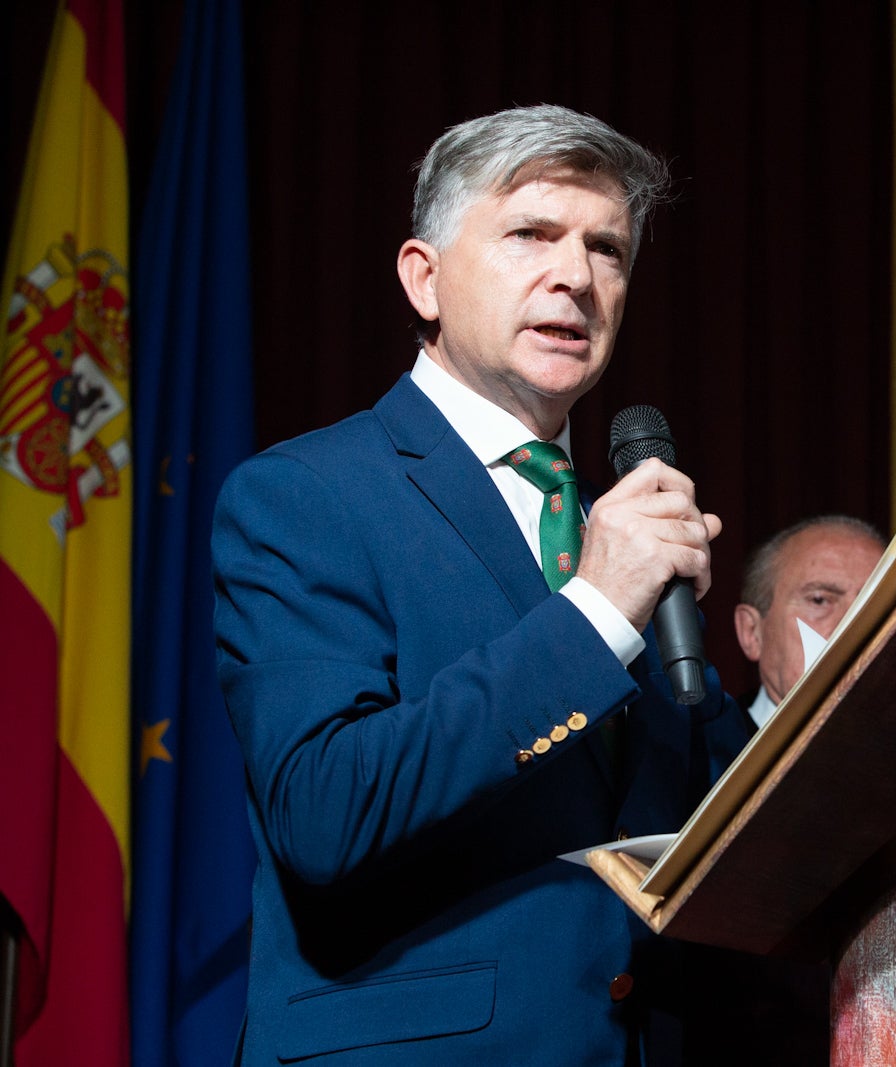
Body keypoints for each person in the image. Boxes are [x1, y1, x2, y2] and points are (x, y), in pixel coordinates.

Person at [212, 104, 753, 1065]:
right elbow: (324, 810)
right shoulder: (302, 494)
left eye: (607, 249)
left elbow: (705, 834)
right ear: (423, 279)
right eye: (530, 235)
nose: (576, 277)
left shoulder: (613, 532)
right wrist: (595, 613)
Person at [658, 515, 896, 1066]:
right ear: (751, 632)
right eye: (821, 600)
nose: (854, 623)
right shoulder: (692, 767)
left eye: (877, 602)